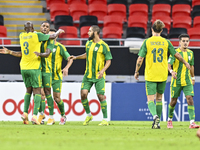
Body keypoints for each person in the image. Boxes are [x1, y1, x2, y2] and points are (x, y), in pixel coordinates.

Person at [0, 21, 64, 125]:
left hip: (32, 68)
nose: (45, 28)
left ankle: (33, 114)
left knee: (36, 91)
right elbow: (52, 36)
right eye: (43, 26)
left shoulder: (22, 35)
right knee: (38, 92)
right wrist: (59, 32)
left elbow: (45, 53)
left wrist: (10, 52)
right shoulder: (37, 35)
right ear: (36, 28)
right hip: (35, 68)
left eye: (47, 26)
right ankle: (37, 115)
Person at [134, 20, 191, 129]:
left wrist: (136, 71)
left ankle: (155, 116)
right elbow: (176, 54)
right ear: (161, 30)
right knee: (159, 98)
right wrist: (185, 62)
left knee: (150, 99)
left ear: (152, 29)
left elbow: (140, 58)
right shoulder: (166, 42)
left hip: (151, 74)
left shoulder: (147, 42)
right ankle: (158, 123)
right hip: (162, 74)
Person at [68, 25, 112, 126]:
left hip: (98, 75)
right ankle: (89, 115)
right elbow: (87, 54)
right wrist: (76, 57)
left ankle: (105, 119)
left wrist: (102, 70)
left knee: (100, 96)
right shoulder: (88, 43)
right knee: (83, 94)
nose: (88, 33)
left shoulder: (104, 45)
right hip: (88, 75)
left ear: (95, 33)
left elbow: (109, 60)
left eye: (89, 31)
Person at [37, 28, 73, 125]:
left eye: (54, 35)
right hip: (45, 75)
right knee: (41, 95)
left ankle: (63, 115)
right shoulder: (43, 46)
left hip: (56, 77)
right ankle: (42, 115)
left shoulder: (60, 47)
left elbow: (70, 58)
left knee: (56, 98)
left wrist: (66, 68)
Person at [167, 34, 199, 129]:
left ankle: (192, 122)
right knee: (173, 101)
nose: (185, 43)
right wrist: (171, 71)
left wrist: (193, 78)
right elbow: (169, 64)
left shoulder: (191, 53)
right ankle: (169, 120)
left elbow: (192, 66)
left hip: (187, 80)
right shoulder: (175, 52)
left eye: (187, 41)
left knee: (190, 98)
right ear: (179, 42)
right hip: (176, 81)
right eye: (183, 41)